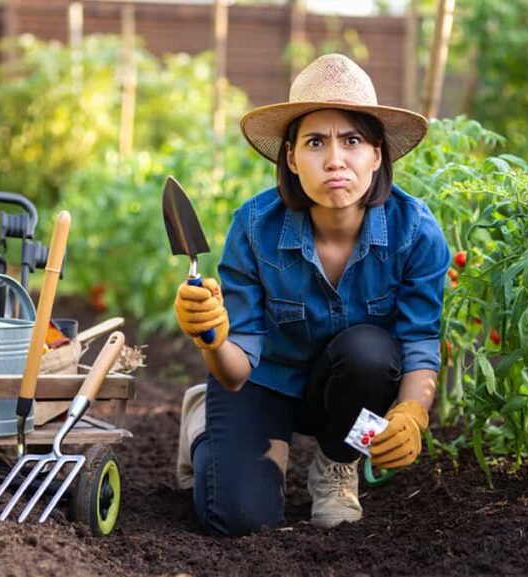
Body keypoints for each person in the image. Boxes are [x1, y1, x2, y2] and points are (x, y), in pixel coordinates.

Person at [173, 54, 449, 536]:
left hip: (351, 390)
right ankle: (205, 422)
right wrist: (212, 339)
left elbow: (419, 342)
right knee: (236, 520)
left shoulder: (415, 231)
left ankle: (338, 464)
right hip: (264, 383)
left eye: (352, 141)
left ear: (377, 154)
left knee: (372, 352)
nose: (335, 160)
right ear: (292, 157)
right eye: (316, 142)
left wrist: (412, 413)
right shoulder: (255, 228)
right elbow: (237, 372)